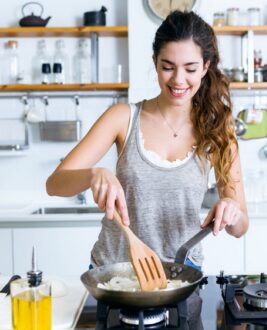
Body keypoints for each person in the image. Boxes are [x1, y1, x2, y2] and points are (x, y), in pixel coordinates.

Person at [46, 10, 249, 271]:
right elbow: (54, 184)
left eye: (190, 69)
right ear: (155, 63)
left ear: (206, 67)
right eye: (167, 67)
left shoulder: (219, 132)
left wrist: (231, 210)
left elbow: (241, 226)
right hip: (115, 273)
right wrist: (93, 174)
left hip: (181, 275)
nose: (178, 79)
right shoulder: (122, 117)